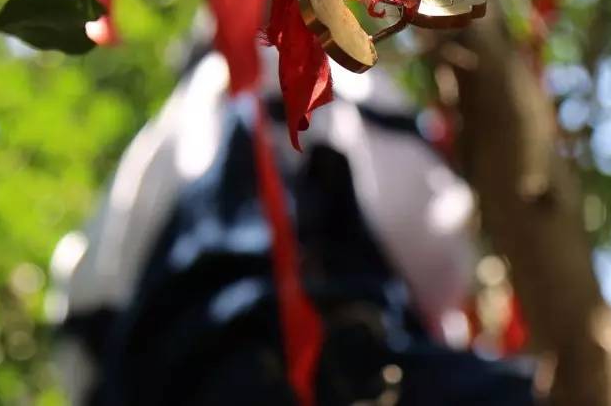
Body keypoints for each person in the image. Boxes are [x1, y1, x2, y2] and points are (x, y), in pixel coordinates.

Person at [46, 30, 541, 405]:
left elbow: (85, 309)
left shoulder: (148, 152)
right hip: (325, 363)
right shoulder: (325, 83)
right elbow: (434, 246)